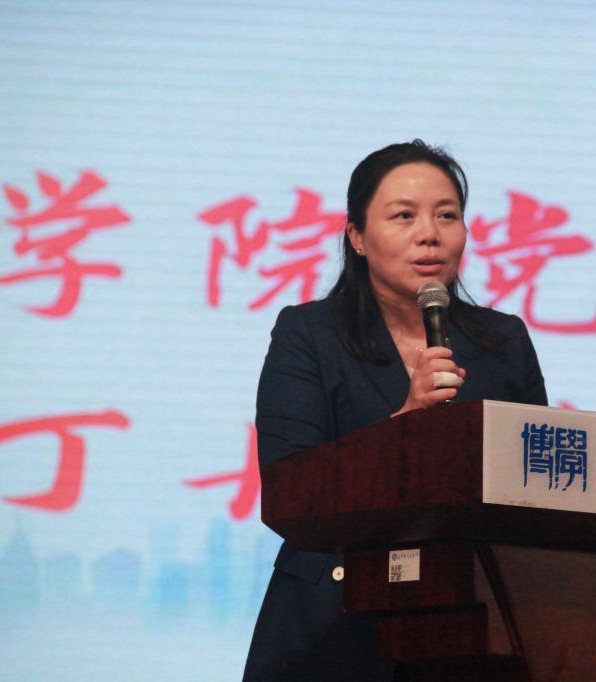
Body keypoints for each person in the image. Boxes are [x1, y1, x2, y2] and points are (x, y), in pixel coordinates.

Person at [242, 140, 548, 681]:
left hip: (468, 624)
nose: (429, 234)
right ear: (357, 237)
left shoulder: (503, 341)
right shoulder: (308, 334)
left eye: (447, 215)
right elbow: (291, 488)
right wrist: (405, 422)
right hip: (334, 623)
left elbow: (536, 484)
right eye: (404, 216)